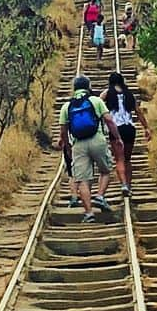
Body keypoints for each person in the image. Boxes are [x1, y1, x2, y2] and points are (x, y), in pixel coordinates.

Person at [59, 75, 124, 223]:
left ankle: (89, 213)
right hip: (97, 140)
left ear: (74, 88)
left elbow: (63, 132)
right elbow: (109, 120)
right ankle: (100, 196)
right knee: (106, 170)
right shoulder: (96, 100)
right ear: (88, 87)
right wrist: (117, 137)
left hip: (78, 145)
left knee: (82, 180)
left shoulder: (66, 106)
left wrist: (68, 148)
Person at [103, 71, 151, 196]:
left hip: (116, 128)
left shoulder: (108, 93)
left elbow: (97, 103)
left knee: (119, 159)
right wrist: (146, 128)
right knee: (127, 159)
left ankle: (124, 184)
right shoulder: (129, 94)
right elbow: (138, 112)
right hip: (130, 128)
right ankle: (128, 186)